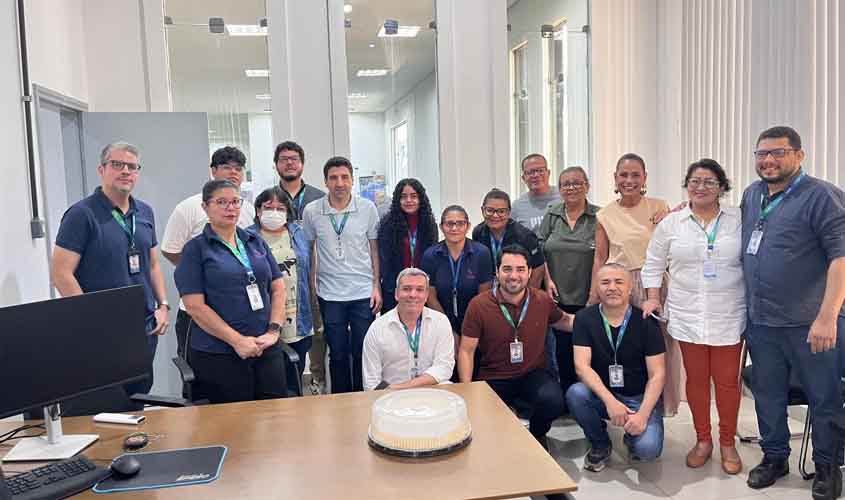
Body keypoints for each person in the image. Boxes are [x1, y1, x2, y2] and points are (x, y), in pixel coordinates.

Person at [740, 126, 845, 499]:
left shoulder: (823, 197)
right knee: (768, 394)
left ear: (798, 156)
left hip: (810, 323)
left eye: (778, 152)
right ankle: (774, 457)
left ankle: (828, 467)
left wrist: (828, 316)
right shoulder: (752, 195)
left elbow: (840, 259)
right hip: (762, 321)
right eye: (761, 153)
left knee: (823, 396)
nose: (768, 160)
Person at [641, 159, 745, 474]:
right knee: (697, 381)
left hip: (729, 312)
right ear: (687, 185)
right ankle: (703, 440)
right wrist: (653, 298)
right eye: (695, 181)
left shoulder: (739, 219)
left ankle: (727, 442)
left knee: (727, 383)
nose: (701, 187)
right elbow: (653, 263)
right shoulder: (672, 223)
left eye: (709, 182)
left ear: (722, 187)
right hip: (687, 314)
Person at [51, 141, 169, 396]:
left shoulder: (144, 212)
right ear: (101, 169)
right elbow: (61, 273)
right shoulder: (82, 214)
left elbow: (154, 264)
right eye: (117, 164)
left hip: (144, 327)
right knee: (106, 406)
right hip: (102, 333)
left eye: (132, 166)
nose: (126, 171)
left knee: (138, 398)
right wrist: (90, 319)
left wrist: (163, 306)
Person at [174, 180, 287, 403]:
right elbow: (195, 306)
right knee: (233, 426)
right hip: (220, 354)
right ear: (205, 207)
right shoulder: (195, 249)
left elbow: (278, 287)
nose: (230, 208)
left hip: (265, 347)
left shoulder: (255, 241)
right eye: (222, 202)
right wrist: (237, 341)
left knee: (276, 418)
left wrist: (273, 330)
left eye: (235, 202)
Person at [589, 153, 681, 416]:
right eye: (624, 175)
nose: (629, 180)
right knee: (625, 346)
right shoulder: (605, 214)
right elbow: (600, 257)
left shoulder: (659, 207)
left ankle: (658, 409)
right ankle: (624, 404)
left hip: (655, 286)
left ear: (645, 178)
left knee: (661, 348)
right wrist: (594, 292)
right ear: (615, 179)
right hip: (621, 286)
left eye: (635, 175)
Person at [459, 245, 574, 448]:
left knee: (553, 401)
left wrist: (600, 318)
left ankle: (536, 434)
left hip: (532, 374)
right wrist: (468, 391)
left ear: (530, 272)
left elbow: (564, 321)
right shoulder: (478, 305)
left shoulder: (541, 300)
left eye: (520, 269)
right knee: (492, 434)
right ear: (496, 272)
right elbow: (466, 351)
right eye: (507, 269)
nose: (514, 276)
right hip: (494, 377)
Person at [567, 263, 666, 472]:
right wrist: (610, 402)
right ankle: (601, 444)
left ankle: (632, 435)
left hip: (639, 397)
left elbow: (658, 375)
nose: (612, 287)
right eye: (605, 282)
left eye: (619, 282)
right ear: (596, 288)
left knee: (647, 450)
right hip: (605, 394)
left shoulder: (646, 322)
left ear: (630, 287)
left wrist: (642, 415)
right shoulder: (584, 319)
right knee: (576, 393)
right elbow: (581, 366)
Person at [161, 146, 255, 361]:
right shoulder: (190, 207)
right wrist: (201, 274)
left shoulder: (247, 209)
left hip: (240, 308)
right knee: (200, 376)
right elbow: (170, 249)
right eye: (226, 167)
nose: (233, 173)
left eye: (238, 169)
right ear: (213, 171)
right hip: (199, 310)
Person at [302, 156, 381, 393]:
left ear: (352, 180)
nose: (339, 183)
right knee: (336, 352)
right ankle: (341, 399)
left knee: (361, 351)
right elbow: (309, 252)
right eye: (333, 178)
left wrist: (376, 285)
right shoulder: (312, 211)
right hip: (330, 294)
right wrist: (312, 288)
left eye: (344, 177)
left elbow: (374, 249)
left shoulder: (367, 208)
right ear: (325, 182)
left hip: (362, 292)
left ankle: (362, 396)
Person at [536, 166, 600, 401]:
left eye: (577, 183)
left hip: (589, 295)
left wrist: (595, 292)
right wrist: (547, 280)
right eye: (566, 184)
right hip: (557, 294)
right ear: (560, 188)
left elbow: (605, 255)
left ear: (587, 186)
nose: (571, 187)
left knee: (589, 350)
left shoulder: (598, 217)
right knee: (561, 350)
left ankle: (588, 399)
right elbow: (539, 250)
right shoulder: (552, 214)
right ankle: (567, 399)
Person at [273, 140, 328, 395]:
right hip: (281, 280)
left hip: (312, 277)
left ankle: (317, 380)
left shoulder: (319, 198)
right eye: (284, 159)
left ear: (302, 164)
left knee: (316, 332)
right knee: (282, 330)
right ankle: (286, 383)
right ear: (276, 165)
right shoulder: (270, 199)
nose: (289, 163)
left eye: (294, 158)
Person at [250, 186, 315, 396]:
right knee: (269, 379)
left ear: (288, 211)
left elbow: (308, 267)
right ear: (258, 211)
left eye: (280, 208)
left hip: (298, 313)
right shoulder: (247, 237)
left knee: (294, 373)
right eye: (268, 207)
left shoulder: (297, 233)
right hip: (263, 316)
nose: (274, 213)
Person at [362, 268, 455, 390]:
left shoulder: (440, 322)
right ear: (396, 293)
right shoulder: (377, 329)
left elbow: (444, 368)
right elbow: (371, 383)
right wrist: (392, 392)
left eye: (419, 290)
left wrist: (400, 387)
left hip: (430, 393)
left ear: (427, 295)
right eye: (406, 289)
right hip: (391, 398)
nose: (412, 294)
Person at [420, 205, 493, 349]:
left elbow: (484, 295)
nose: (454, 228)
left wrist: (469, 331)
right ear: (441, 227)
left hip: (474, 323)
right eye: (449, 224)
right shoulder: (430, 255)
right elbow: (430, 296)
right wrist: (448, 330)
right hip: (440, 323)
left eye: (460, 223)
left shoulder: (482, 253)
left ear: (468, 226)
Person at [377, 179, 438, 312]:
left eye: (414, 196)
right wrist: (397, 288)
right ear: (397, 200)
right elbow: (385, 261)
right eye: (403, 197)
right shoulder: (387, 224)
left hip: (420, 288)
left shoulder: (429, 224)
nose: (408, 200)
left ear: (421, 199)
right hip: (395, 290)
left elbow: (432, 258)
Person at [473, 188, 545, 289]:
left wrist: (527, 297)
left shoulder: (524, 236)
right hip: (491, 289)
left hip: (519, 288)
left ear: (509, 212)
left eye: (501, 211)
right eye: (490, 210)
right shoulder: (478, 232)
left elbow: (538, 269)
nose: (495, 215)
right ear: (482, 210)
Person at [511, 154, 561, 231]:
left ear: (548, 173)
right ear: (523, 178)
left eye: (540, 170)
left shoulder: (564, 197)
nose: (536, 175)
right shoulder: (517, 207)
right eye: (530, 172)